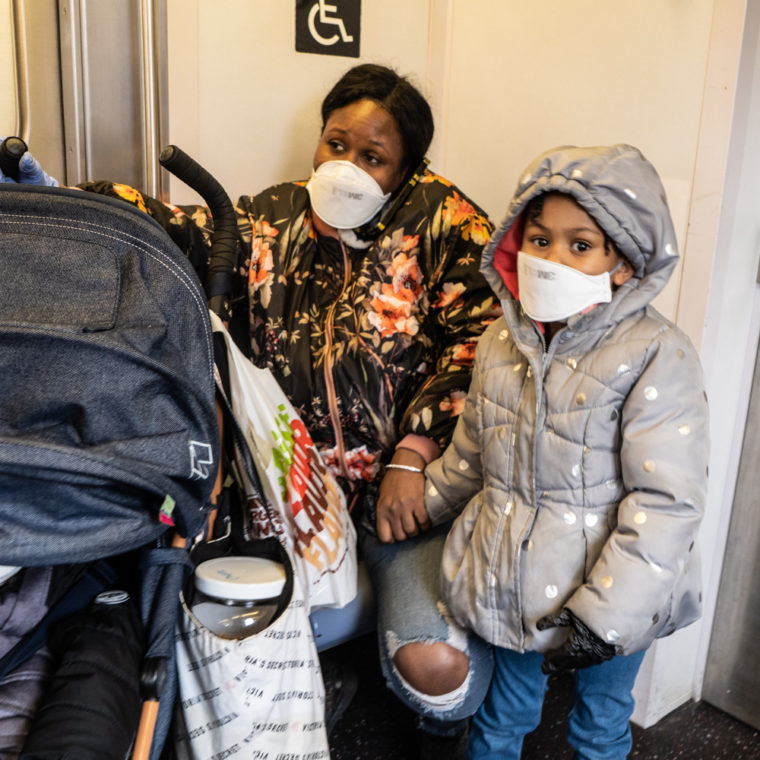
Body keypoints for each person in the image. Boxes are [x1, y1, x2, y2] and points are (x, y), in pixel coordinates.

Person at [1, 64, 500, 755]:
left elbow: (484, 345)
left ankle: (433, 723)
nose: (345, 167)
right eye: (336, 144)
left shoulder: (446, 223)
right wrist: (72, 206)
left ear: (408, 169)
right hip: (281, 488)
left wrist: (416, 452)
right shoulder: (277, 215)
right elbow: (183, 228)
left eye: (372, 157)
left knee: (436, 670)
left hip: (396, 506)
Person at [421, 143, 709, 759]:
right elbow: (472, 453)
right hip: (513, 585)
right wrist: (417, 504)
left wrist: (606, 619)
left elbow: (667, 502)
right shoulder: (502, 339)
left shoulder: (659, 353)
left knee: (599, 729)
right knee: (501, 721)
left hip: (617, 599)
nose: (552, 258)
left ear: (624, 262)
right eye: (539, 239)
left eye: (580, 245)